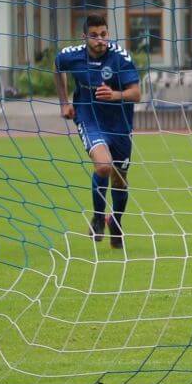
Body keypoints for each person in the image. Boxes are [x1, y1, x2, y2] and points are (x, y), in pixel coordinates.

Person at [54, 14, 141, 250]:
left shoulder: (121, 58)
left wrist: (115, 95)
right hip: (89, 118)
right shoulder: (71, 56)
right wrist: (64, 102)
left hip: (120, 124)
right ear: (85, 37)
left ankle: (116, 221)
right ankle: (98, 217)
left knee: (120, 179)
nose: (99, 40)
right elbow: (58, 66)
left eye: (103, 35)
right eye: (94, 36)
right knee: (103, 165)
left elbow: (136, 93)